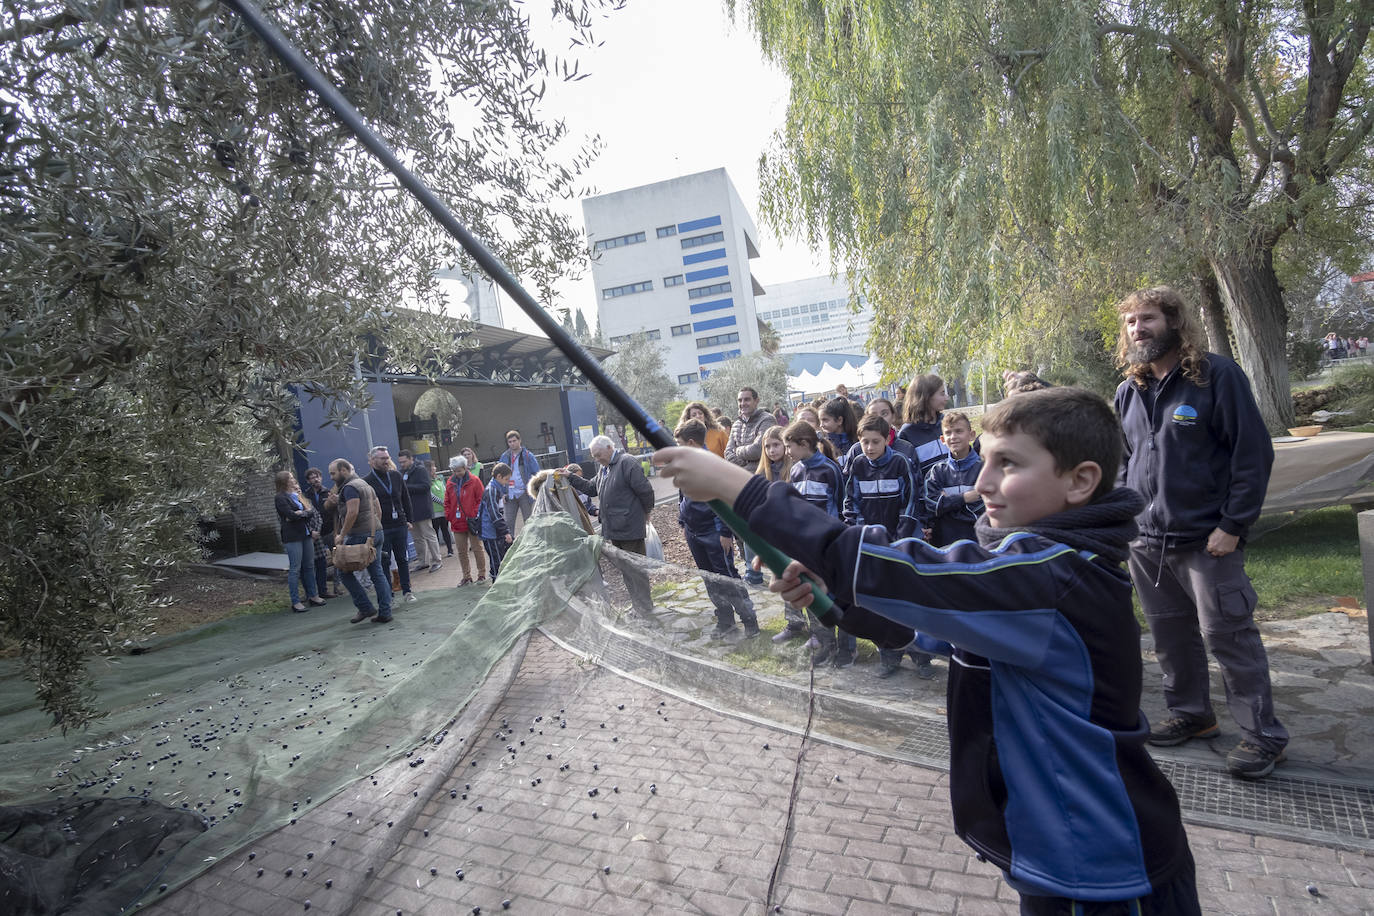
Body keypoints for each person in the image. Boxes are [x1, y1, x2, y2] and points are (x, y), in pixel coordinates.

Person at [653, 388, 1199, 915]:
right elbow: (929, 632)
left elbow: (902, 568)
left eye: (1007, 463)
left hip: (1106, 873)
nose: (982, 481)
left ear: (1080, 481)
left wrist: (739, 487)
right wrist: (837, 602)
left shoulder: (1053, 577)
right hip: (1063, 859)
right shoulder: (1041, 570)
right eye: (984, 460)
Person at [1115, 285, 1288, 779]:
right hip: (1147, 543)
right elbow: (1125, 464)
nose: (1138, 329)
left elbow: (1252, 455)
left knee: (1227, 635)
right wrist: (1127, 523)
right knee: (1170, 637)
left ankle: (1263, 736)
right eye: (1130, 323)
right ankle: (1192, 715)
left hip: (1207, 540)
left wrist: (1233, 525)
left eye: (1147, 318)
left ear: (1174, 321)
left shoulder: (1215, 376)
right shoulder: (1131, 390)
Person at [843, 414, 932, 680]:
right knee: (880, 604)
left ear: (887, 439)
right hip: (872, 545)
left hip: (900, 543)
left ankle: (922, 657)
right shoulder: (857, 465)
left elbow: (911, 502)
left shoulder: (900, 463)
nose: (870, 447)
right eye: (865, 442)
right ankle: (889, 655)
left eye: (875, 441)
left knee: (908, 603)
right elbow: (851, 503)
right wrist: (864, 535)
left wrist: (898, 539)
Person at [674, 420, 760, 639]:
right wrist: (683, 523)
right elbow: (682, 495)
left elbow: (724, 499)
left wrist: (724, 532)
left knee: (727, 577)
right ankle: (725, 619)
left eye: (680, 443)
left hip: (714, 533)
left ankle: (749, 620)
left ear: (691, 442)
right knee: (709, 578)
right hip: (694, 532)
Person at [780, 419, 850, 663]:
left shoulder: (830, 470)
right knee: (813, 595)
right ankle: (825, 643)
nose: (787, 452)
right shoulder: (797, 470)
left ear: (805, 443)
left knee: (837, 595)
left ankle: (846, 647)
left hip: (829, 544)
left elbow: (842, 507)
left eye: (789, 447)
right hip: (804, 545)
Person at [562, 435, 656, 612]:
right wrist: (570, 476)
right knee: (627, 571)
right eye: (594, 456)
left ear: (609, 448)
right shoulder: (604, 468)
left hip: (629, 527)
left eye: (598, 455)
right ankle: (638, 606)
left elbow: (645, 490)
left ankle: (645, 608)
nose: (597, 459)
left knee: (636, 571)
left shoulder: (626, 463)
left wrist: (646, 512)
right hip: (614, 529)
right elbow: (592, 488)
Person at [328, 458, 393, 624]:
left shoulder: (350, 488)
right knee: (377, 572)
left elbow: (352, 513)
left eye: (333, 473)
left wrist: (342, 535)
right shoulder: (365, 484)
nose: (331, 477)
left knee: (343, 571)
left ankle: (365, 607)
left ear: (344, 470)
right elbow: (378, 509)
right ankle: (385, 612)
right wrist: (374, 528)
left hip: (360, 535)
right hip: (375, 532)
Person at [724, 387, 776, 585]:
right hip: (742, 485)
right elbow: (727, 454)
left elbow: (758, 450)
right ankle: (753, 573)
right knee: (747, 529)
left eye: (747, 399)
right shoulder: (736, 424)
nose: (743, 403)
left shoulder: (767, 420)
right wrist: (744, 461)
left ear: (756, 400)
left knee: (767, 529)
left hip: (761, 483)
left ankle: (779, 568)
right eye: (740, 400)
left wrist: (740, 453)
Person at [923, 411, 984, 547]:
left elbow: (982, 512)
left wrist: (946, 506)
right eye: (948, 433)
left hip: (977, 542)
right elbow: (932, 506)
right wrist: (965, 498)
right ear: (942, 440)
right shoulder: (936, 472)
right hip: (944, 544)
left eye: (959, 431)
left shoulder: (983, 469)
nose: (953, 437)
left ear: (971, 435)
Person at [364, 445, 416, 603]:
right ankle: (389, 596)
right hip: (382, 528)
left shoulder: (396, 476)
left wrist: (409, 520)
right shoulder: (367, 481)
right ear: (373, 461)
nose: (387, 461)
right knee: (384, 562)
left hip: (400, 524)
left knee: (402, 559)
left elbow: (406, 499)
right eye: (383, 458)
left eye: (387, 458)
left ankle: (407, 591)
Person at [274, 470, 326, 612]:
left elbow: (309, 513)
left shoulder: (296, 495)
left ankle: (313, 596)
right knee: (295, 569)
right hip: (293, 537)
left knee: (309, 566)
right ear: (284, 481)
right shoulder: (280, 497)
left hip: (306, 534)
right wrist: (298, 515)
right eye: (290, 478)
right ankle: (295, 601)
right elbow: (289, 515)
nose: (293, 479)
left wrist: (299, 514)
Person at [897, 373, 951, 478]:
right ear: (926, 397)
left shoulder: (947, 423)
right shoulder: (907, 433)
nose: (946, 398)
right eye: (942, 393)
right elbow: (910, 475)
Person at [445, 455, 488, 585]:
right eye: (454, 470)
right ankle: (466, 576)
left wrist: (474, 514)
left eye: (459, 470)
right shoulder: (450, 482)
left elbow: (481, 499)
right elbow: (447, 500)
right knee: (461, 551)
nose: (457, 473)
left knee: (477, 548)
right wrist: (450, 515)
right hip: (457, 522)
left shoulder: (474, 481)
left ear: (465, 468)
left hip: (472, 521)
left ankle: (481, 574)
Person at [398, 449, 441, 573]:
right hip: (410, 510)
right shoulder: (402, 472)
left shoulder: (420, 469)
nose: (402, 464)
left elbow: (426, 486)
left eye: (404, 461)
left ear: (411, 459)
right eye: (400, 462)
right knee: (417, 537)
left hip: (422, 508)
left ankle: (437, 560)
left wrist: (406, 488)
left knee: (429, 534)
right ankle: (423, 561)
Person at [303, 466, 338, 598]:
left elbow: (335, 513)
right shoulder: (305, 495)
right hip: (314, 535)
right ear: (308, 481)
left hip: (328, 531)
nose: (315, 479)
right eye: (312, 478)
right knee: (317, 563)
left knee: (337, 559)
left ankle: (336, 587)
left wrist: (336, 530)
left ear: (321, 478)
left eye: (317, 476)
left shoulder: (328, 493)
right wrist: (311, 531)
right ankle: (315, 591)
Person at [479, 462, 514, 581]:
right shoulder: (491, 490)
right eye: (506, 479)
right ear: (499, 476)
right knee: (496, 561)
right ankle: (497, 584)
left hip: (494, 531)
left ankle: (499, 582)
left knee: (500, 559)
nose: (507, 482)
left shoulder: (496, 489)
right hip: (490, 532)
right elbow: (494, 514)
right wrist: (505, 531)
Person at [498, 431, 540, 525]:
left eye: (514, 441)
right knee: (508, 522)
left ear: (519, 440)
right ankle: (511, 540)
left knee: (529, 521)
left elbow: (537, 474)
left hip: (524, 493)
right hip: (509, 494)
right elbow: (499, 476)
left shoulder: (528, 455)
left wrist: (533, 491)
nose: (512, 443)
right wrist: (502, 493)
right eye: (510, 442)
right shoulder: (504, 456)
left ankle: (530, 539)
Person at [819, 396, 858, 472]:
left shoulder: (855, 442)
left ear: (839, 420)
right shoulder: (824, 445)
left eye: (825, 420)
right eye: (820, 421)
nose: (821, 425)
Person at [429, 460, 454, 558]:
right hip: (434, 511)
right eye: (432, 467)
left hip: (443, 510)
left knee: (445, 530)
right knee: (434, 532)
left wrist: (447, 503)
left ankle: (450, 550)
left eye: (434, 467)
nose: (434, 468)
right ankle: (436, 553)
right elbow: (430, 496)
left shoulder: (439, 479)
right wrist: (443, 502)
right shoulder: (427, 481)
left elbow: (445, 490)